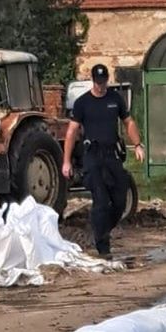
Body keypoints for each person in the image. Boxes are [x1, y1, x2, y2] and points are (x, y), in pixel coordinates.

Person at [62, 63, 145, 256]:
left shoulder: (115, 99)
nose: (101, 86)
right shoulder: (83, 103)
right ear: (93, 80)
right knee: (100, 201)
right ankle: (103, 246)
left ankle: (102, 230)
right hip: (93, 156)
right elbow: (72, 131)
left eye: (103, 81)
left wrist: (138, 145)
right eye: (98, 82)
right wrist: (66, 161)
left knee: (119, 201)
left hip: (112, 155)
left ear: (107, 79)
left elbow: (128, 122)